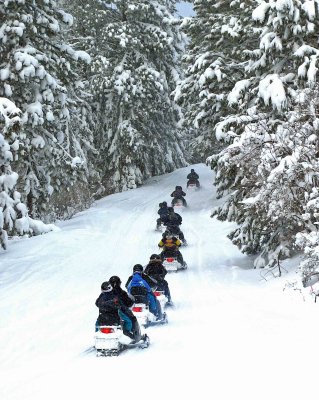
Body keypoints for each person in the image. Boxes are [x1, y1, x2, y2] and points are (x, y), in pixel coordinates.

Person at [109, 275, 141, 342]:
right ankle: (131, 335)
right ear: (118, 283)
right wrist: (131, 302)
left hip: (109, 312)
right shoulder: (121, 292)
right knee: (132, 319)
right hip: (121, 310)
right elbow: (128, 302)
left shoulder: (107, 293)